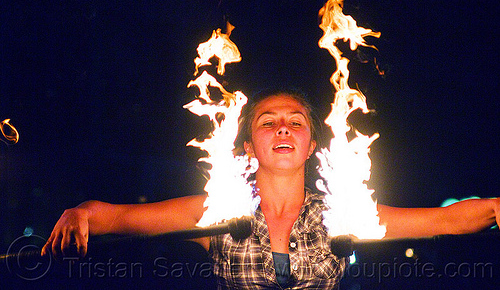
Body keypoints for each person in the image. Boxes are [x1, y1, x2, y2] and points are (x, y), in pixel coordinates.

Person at [42, 88, 500, 289]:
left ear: (311, 146)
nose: (283, 129)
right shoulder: (218, 211)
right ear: (247, 146)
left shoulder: (342, 214)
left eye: (295, 123)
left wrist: (497, 207)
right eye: (268, 122)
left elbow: (445, 219)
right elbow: (117, 217)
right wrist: (81, 213)